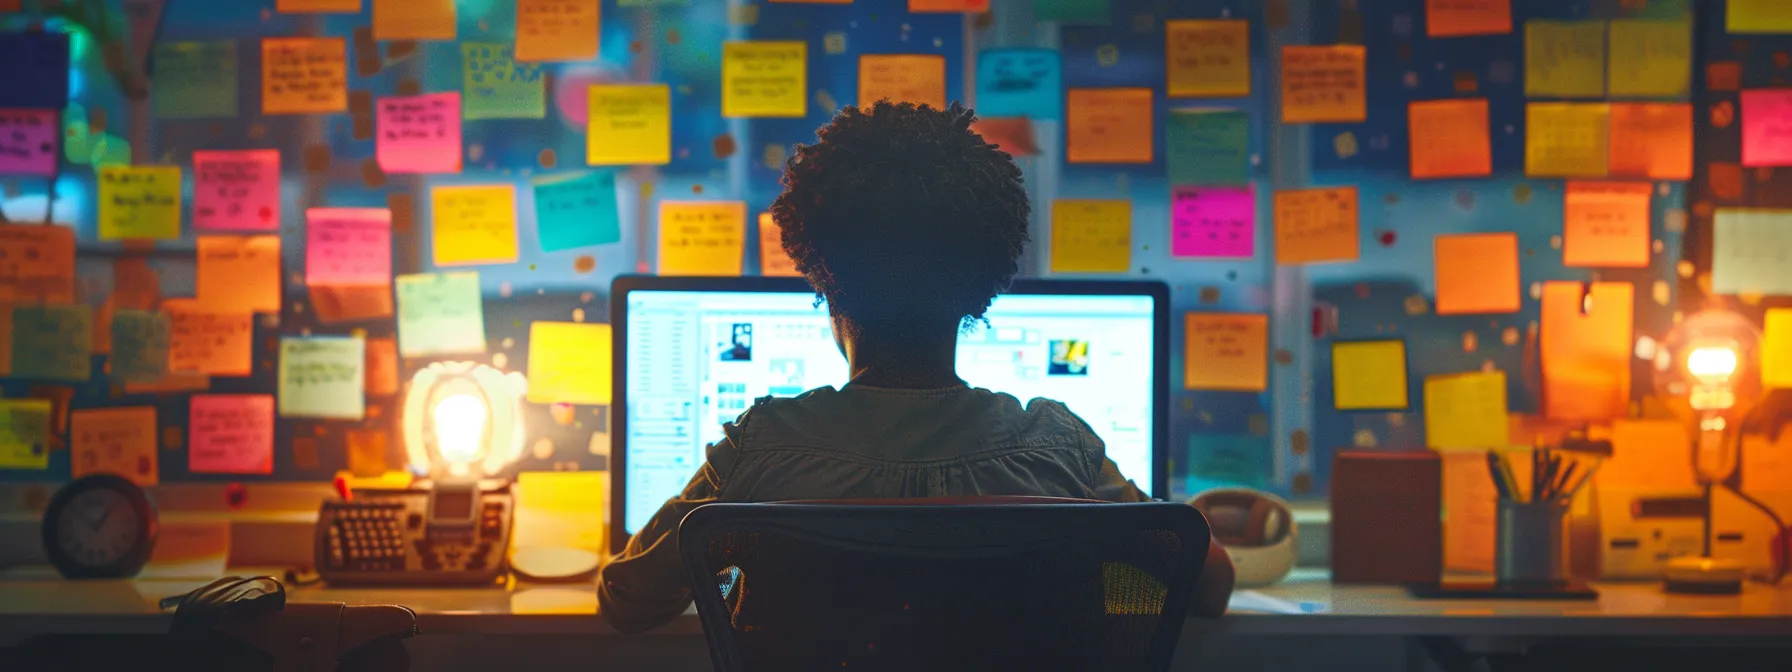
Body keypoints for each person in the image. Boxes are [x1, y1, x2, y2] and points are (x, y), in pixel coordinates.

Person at [598, 101, 1234, 634]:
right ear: (981, 286)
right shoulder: (1059, 451)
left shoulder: (759, 451)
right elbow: (1208, 586)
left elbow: (627, 601)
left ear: (823, 275)